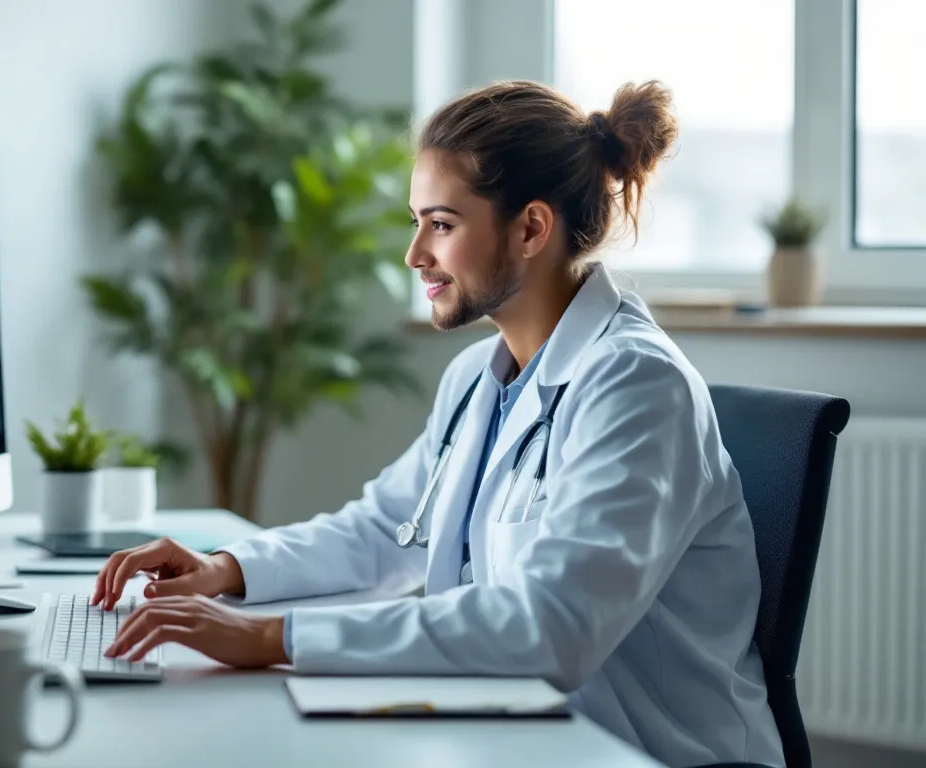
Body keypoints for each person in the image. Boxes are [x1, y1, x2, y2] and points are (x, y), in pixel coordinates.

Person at [91, 80, 785, 767]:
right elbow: (384, 529)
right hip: (513, 731)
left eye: (442, 225)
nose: (415, 254)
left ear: (531, 228)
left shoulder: (637, 384)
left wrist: (272, 638)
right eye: (416, 222)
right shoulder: (478, 377)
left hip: (641, 753)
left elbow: (553, 626)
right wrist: (224, 570)